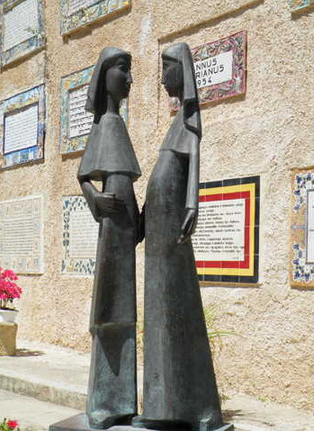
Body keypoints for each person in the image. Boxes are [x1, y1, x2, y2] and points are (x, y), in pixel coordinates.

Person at [133, 43, 229, 431]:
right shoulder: (174, 123)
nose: (161, 78)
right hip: (157, 224)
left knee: (175, 309)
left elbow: (192, 168)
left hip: (172, 222)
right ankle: (161, 407)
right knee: (158, 311)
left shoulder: (188, 122)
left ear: (181, 72)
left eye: (166, 69)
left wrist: (193, 205)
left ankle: (191, 409)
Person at [77, 47, 141, 429]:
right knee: (109, 308)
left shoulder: (120, 126)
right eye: (123, 70)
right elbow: (85, 176)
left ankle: (122, 402)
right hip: (111, 233)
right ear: (105, 77)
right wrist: (97, 199)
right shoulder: (104, 126)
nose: (129, 79)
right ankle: (103, 404)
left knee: (125, 311)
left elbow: (128, 181)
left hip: (126, 229)